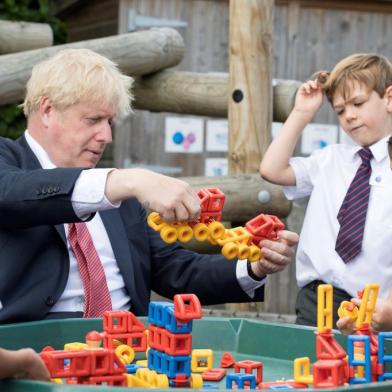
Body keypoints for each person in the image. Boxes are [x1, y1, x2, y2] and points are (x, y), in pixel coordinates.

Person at [0, 48, 299, 323]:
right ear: (48, 110)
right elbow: (14, 192)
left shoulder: (116, 190)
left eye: (110, 122)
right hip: (35, 346)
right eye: (93, 120)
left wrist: (254, 268)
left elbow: (176, 270)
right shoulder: (11, 161)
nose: (106, 136)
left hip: (128, 346)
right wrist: (130, 179)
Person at [260, 53, 392, 327]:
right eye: (340, 110)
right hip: (317, 298)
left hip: (374, 306)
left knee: (366, 367)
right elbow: (272, 169)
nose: (350, 116)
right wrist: (301, 113)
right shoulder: (330, 160)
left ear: (389, 99)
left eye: (358, 103)